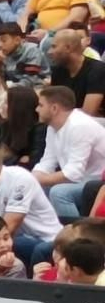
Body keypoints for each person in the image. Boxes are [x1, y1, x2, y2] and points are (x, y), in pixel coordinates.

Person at [0, 137, 63, 268]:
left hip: (46, 242)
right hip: (14, 240)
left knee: (7, 243)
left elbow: (8, 229)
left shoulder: (20, 179)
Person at [32, 85, 105, 219]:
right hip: (80, 179)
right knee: (35, 187)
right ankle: (49, 230)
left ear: (54, 108)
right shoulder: (52, 126)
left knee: (59, 193)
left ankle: (77, 235)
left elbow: (74, 173)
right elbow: (47, 161)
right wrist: (33, 178)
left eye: (40, 105)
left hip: (96, 182)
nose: (36, 109)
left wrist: (42, 179)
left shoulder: (80, 126)